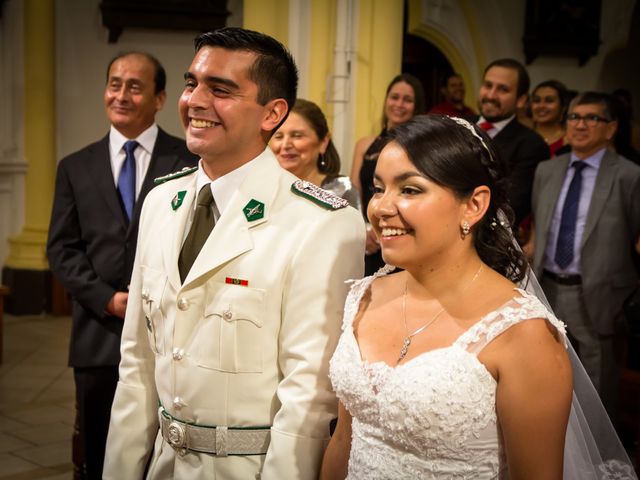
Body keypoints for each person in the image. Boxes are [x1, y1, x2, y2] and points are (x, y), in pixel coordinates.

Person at [103, 27, 365, 479]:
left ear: (272, 113)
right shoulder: (162, 202)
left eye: (220, 90)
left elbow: (307, 395)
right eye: (191, 83)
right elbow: (138, 363)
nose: (195, 101)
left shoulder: (321, 223)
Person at [321, 114, 573, 478]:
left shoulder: (523, 333)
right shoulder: (365, 294)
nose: (380, 208)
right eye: (379, 188)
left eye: (409, 190)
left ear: (473, 205)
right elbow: (344, 440)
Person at [46, 52, 198, 479]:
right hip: (97, 333)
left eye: (135, 86)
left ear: (160, 98)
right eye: (115, 84)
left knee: (161, 447)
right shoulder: (75, 166)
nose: (122, 94)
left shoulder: (188, 160)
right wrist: (107, 299)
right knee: (99, 447)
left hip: (169, 334)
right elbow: (62, 248)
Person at [530, 91, 640, 418]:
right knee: (543, 374)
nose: (580, 124)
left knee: (598, 386)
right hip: (547, 288)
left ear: (611, 128)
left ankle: (600, 463)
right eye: (574, 117)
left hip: (599, 293)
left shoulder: (629, 175)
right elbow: (538, 224)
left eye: (592, 118)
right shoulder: (547, 170)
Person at [350, 73, 425, 275]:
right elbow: (354, 193)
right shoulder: (364, 144)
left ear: (416, 107)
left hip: (399, 232)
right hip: (368, 239)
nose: (399, 104)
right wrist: (365, 231)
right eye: (394, 97)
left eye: (407, 100)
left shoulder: (421, 149)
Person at [476, 58, 550, 232]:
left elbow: (511, 204)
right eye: (488, 85)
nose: (491, 95)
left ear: (521, 100)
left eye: (503, 89)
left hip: (488, 236)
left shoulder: (531, 145)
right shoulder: (457, 126)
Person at [270, 98, 360, 209]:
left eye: (297, 135)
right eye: (278, 136)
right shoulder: (263, 186)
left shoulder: (341, 189)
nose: (285, 145)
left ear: (323, 142)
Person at [531, 80, 570, 156]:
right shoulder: (520, 138)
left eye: (549, 101)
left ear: (563, 107)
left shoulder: (570, 141)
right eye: (536, 100)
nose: (541, 106)